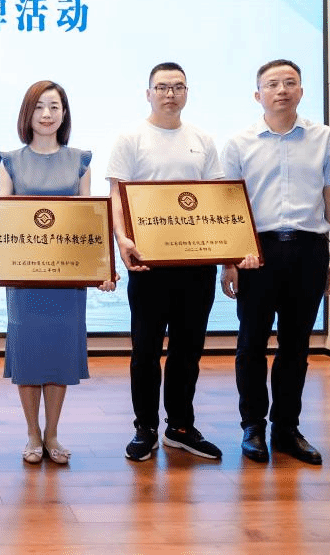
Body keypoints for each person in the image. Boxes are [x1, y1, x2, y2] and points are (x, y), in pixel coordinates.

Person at [0, 80, 115, 465]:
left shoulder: (80, 161)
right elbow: (0, 221)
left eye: (54, 106)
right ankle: (32, 433)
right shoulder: (9, 161)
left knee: (59, 353)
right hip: (25, 279)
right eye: (39, 107)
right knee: (29, 354)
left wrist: (102, 269)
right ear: (27, 114)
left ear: (64, 114)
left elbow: (88, 222)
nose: (47, 114)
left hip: (66, 279)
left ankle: (52, 432)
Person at [221, 59, 330, 465]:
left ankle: (287, 428)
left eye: (290, 82)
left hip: (309, 250)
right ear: (258, 94)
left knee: (296, 345)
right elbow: (227, 206)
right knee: (251, 344)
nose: (282, 90)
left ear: (301, 91)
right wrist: (228, 262)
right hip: (256, 253)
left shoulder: (324, 138)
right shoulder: (238, 143)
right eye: (273, 84)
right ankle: (252, 427)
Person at [106, 62, 232, 462]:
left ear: (187, 93)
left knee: (187, 349)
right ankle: (145, 428)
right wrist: (122, 239)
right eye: (162, 87)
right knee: (145, 349)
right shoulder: (130, 138)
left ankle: (180, 426)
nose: (170, 94)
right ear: (148, 93)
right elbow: (116, 195)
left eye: (178, 86)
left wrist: (228, 257)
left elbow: (218, 199)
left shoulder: (203, 140)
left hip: (197, 263)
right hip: (148, 262)